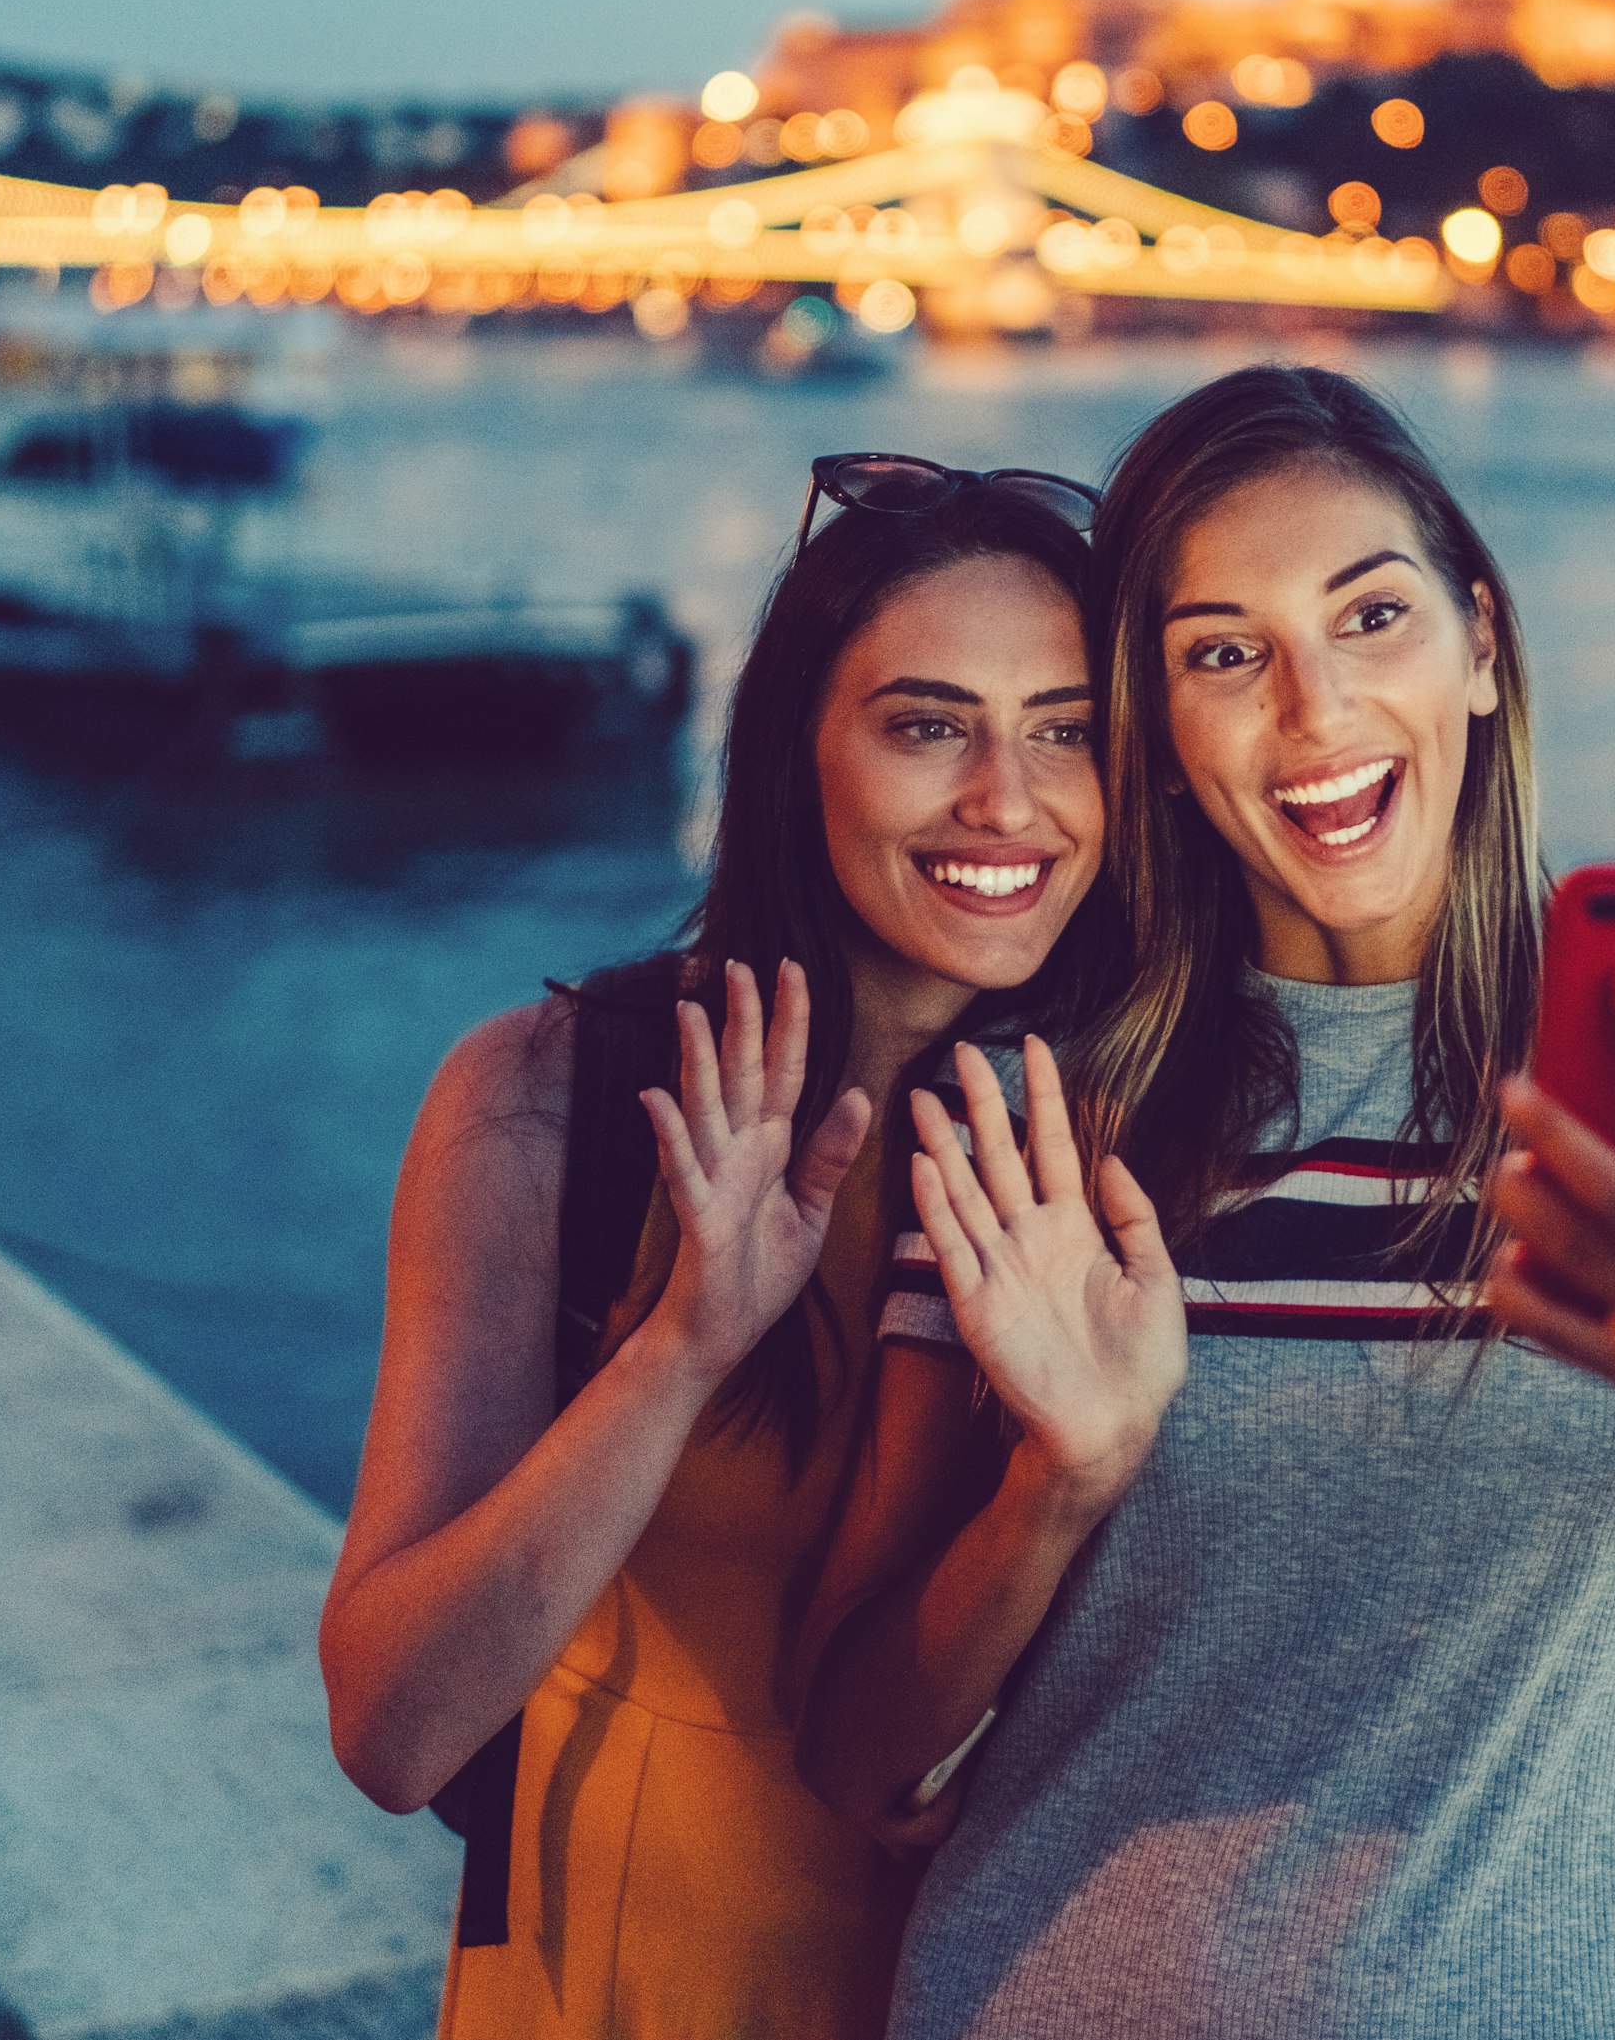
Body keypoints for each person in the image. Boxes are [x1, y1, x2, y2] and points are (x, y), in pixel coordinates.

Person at [796, 366, 1615, 2040]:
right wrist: (1056, 1484)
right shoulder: (1042, 1113)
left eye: (1371, 616)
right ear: (1162, 730)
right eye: (1226, 652)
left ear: (1482, 645)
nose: (1315, 711)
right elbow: (857, 1752)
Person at [319, 454, 1115, 2040]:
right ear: (792, 750)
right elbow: (394, 1729)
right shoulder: (562, 1102)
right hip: (635, 1981)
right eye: (926, 724)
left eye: (1069, 731)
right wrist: (681, 1346)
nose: (1007, 801)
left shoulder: (1146, 1141)